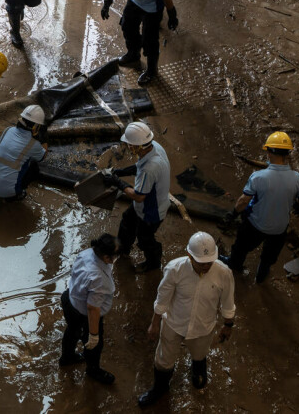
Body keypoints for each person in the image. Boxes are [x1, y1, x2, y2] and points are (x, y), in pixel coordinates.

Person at [137, 232, 235, 408]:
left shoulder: (223, 273)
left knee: (199, 354)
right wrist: (154, 323)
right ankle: (160, 388)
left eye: (209, 261)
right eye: (201, 262)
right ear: (190, 256)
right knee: (164, 360)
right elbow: (162, 299)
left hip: (203, 327)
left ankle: (198, 368)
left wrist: (228, 325)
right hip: (173, 324)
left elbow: (228, 303)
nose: (206, 266)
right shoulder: (175, 269)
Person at [222, 132, 299, 283]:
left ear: (269, 152)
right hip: (279, 229)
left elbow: (243, 201)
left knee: (240, 247)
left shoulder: (259, 177)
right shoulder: (297, 178)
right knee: (269, 256)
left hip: (256, 225)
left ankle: (234, 264)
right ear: (287, 153)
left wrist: (233, 213)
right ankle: (261, 275)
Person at [100, 0, 178, 85]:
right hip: (134, 1)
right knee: (127, 26)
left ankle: (151, 70)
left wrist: (172, 14)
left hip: (152, 8)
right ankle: (133, 53)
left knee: (150, 39)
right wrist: (107, 1)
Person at [102, 121, 170, 273]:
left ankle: (153, 263)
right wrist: (120, 172)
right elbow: (138, 167)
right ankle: (123, 249)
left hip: (151, 210)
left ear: (137, 146)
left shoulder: (149, 169)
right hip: (148, 203)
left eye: (130, 145)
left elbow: (138, 197)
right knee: (127, 221)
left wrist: (117, 182)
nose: (128, 147)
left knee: (145, 238)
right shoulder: (154, 147)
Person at [59, 233, 119, 386]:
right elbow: (93, 308)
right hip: (83, 312)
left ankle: (67, 357)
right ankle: (93, 370)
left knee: (72, 331)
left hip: (69, 298)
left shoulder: (87, 253)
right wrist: (93, 334)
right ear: (106, 257)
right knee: (94, 344)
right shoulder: (98, 277)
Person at [0, 105, 48, 200]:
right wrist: (44, 139)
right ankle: (17, 193)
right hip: (6, 191)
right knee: (33, 166)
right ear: (37, 127)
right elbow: (43, 156)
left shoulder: (9, 130)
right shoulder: (33, 144)